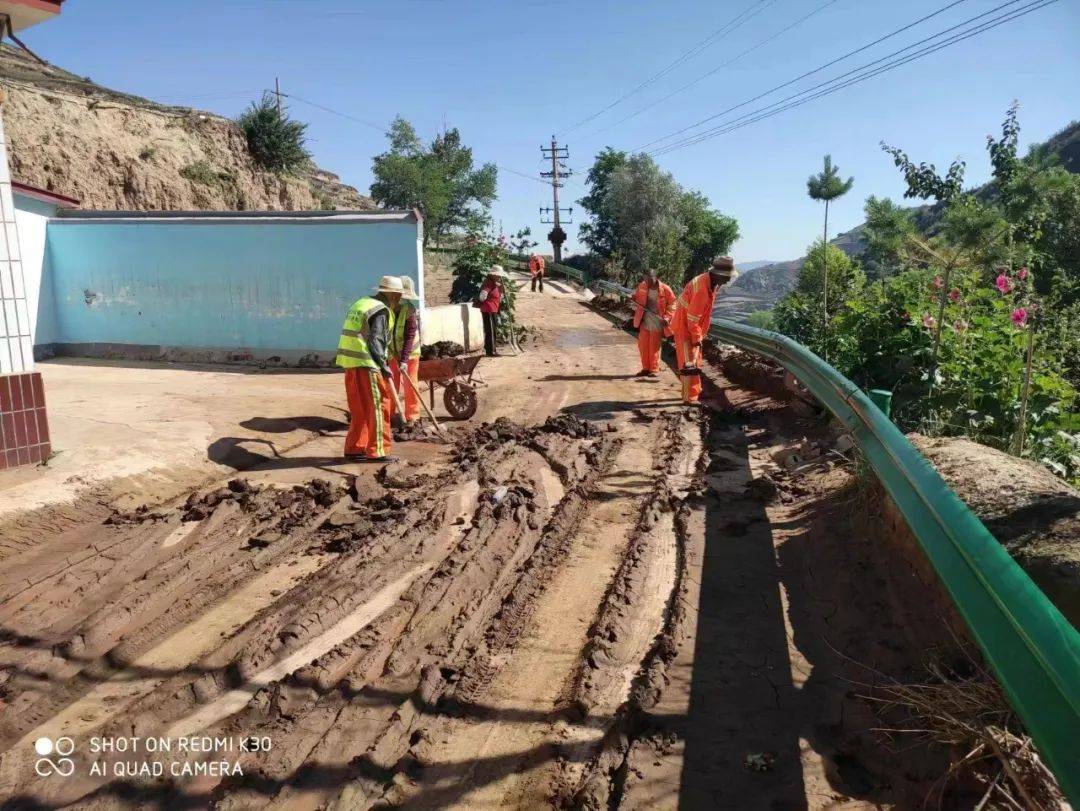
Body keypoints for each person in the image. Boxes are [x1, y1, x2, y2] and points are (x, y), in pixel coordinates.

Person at [335, 275, 402, 461]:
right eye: (399, 295)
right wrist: (383, 365)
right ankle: (378, 450)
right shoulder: (380, 310)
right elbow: (376, 340)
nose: (400, 299)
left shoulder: (362, 303)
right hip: (367, 364)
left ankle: (355, 447)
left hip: (350, 363)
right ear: (394, 294)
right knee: (379, 407)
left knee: (359, 408)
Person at [671, 256, 738, 405]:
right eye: (727, 277)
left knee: (696, 361)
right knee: (689, 364)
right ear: (718, 274)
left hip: (692, 327)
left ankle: (696, 392)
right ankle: (690, 398)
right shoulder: (702, 288)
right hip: (685, 327)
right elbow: (692, 319)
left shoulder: (711, 282)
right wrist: (696, 338)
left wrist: (699, 336)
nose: (728, 281)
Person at [630, 269, 675, 377]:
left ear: (656, 277)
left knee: (654, 345)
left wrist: (667, 318)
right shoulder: (642, 286)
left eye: (650, 280)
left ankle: (653, 369)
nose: (648, 282)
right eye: (646, 280)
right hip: (645, 318)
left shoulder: (665, 289)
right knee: (643, 345)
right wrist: (632, 298)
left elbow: (673, 304)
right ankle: (645, 368)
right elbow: (636, 296)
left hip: (658, 320)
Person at [390, 275, 422, 423]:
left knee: (410, 385)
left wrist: (403, 359)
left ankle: (413, 416)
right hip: (392, 353)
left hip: (410, 354)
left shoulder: (409, 310)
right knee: (390, 383)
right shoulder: (388, 308)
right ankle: (389, 414)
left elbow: (410, 336)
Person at [478, 265, 506, 357]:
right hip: (488, 309)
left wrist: (500, 290)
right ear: (493, 275)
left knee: (492, 329)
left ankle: (489, 349)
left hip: (493, 309)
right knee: (491, 330)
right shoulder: (488, 283)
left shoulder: (494, 283)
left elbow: (498, 296)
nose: (499, 277)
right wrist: (487, 296)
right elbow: (482, 297)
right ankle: (491, 351)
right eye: (498, 275)